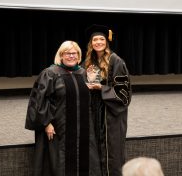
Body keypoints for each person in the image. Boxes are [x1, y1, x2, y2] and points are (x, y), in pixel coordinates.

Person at [25, 40, 102, 176]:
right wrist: (46, 123)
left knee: (85, 158)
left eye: (74, 53)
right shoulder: (50, 73)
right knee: (60, 162)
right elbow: (39, 100)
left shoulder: (83, 73)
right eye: (67, 53)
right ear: (61, 55)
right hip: (59, 128)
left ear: (79, 56)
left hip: (83, 128)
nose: (71, 56)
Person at [83, 24, 132, 176]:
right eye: (95, 40)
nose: (98, 42)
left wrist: (101, 88)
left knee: (113, 152)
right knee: (95, 148)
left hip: (111, 115)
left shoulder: (116, 60)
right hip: (95, 111)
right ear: (91, 43)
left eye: (101, 39)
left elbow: (124, 94)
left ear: (106, 42)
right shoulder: (89, 61)